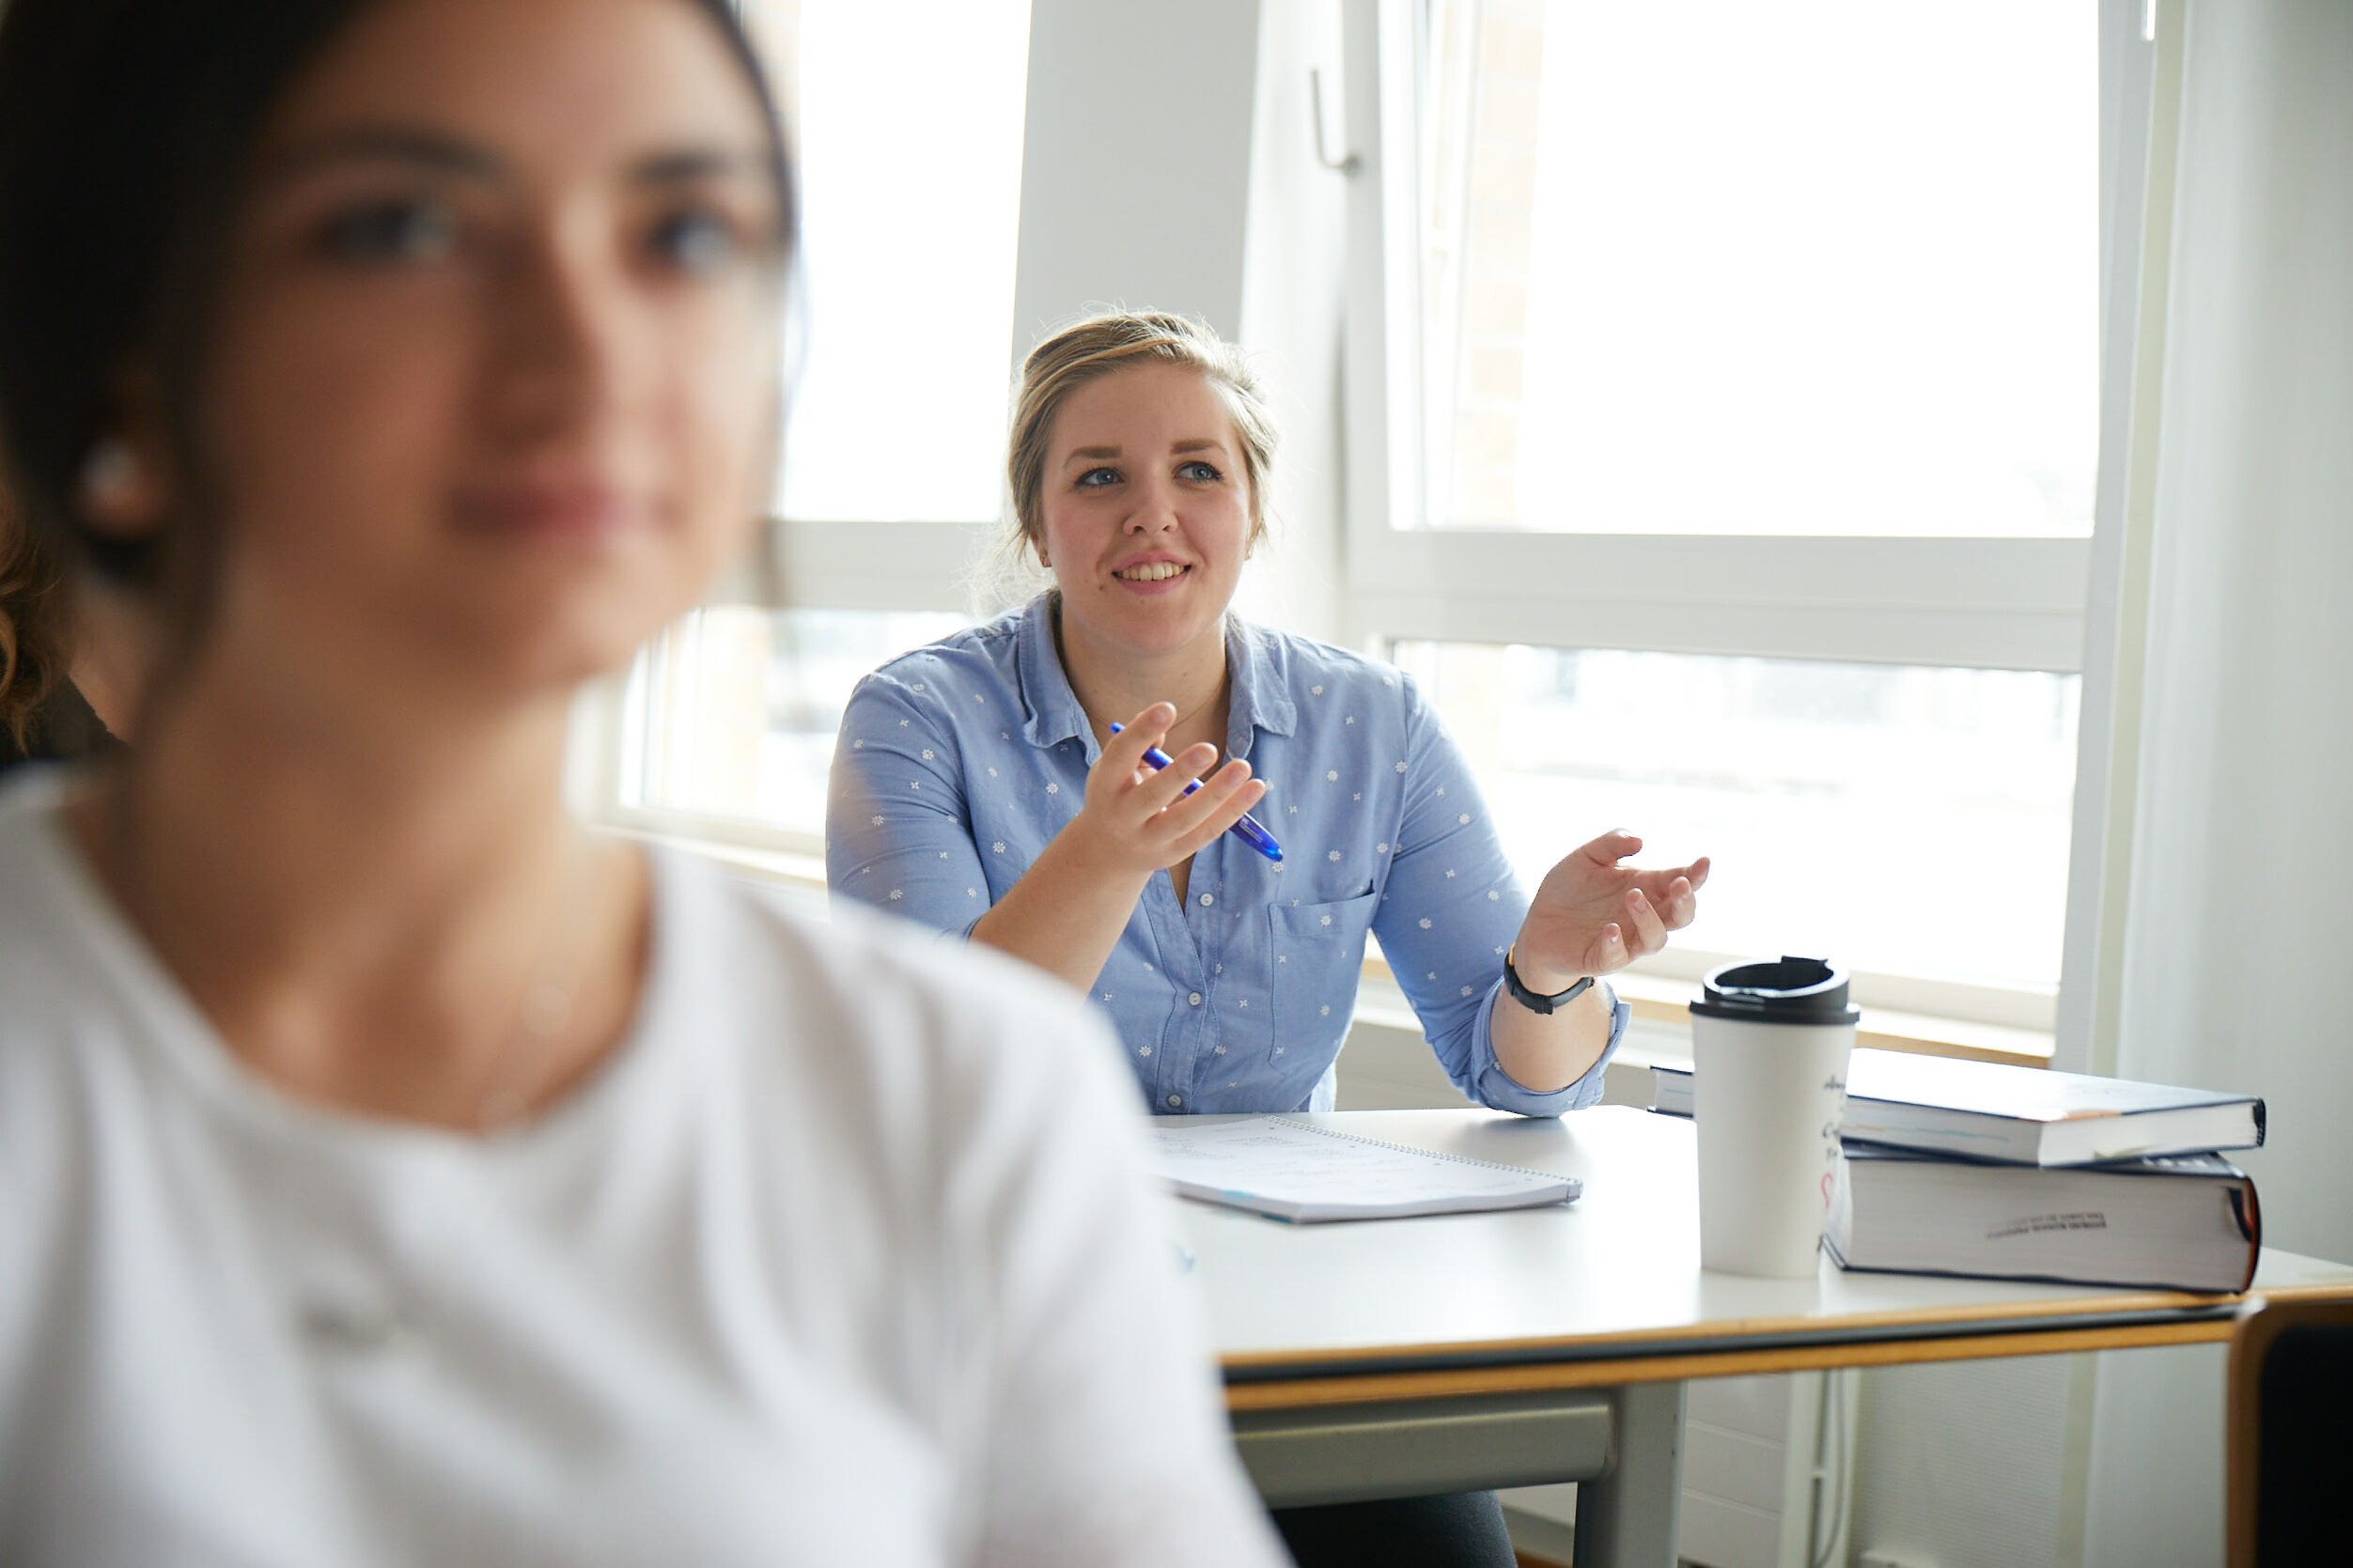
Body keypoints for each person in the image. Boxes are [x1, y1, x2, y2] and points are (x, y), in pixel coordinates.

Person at [0, 5, 1287, 1565]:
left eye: (683, 233)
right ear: (119, 376)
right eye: (404, 225)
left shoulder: (959, 1104)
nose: (588, 347)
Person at [827, 310, 1709, 1564]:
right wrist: (1100, 862)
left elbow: (1518, 1071)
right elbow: (929, 1076)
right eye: (1099, 477)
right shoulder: (916, 721)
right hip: (1005, 1304)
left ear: (1251, 509)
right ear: (1038, 523)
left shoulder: (1375, 722)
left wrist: (1549, 970)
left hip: (1298, 1307)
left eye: (1199, 470)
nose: (1154, 513)